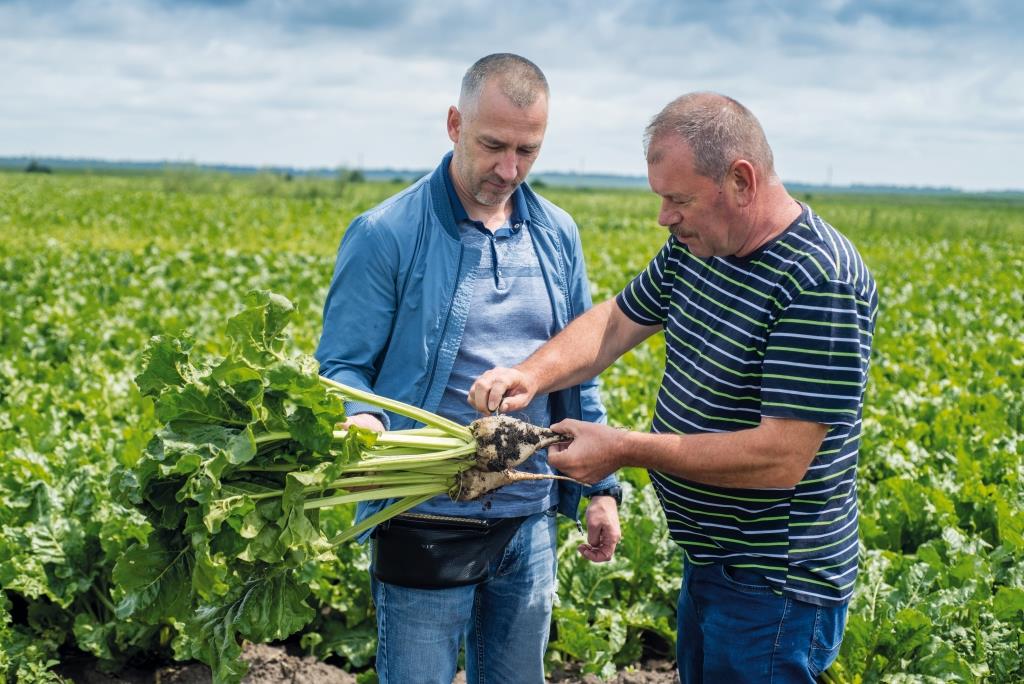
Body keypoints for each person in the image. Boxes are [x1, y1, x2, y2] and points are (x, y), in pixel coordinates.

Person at [468, 92, 878, 683]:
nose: (665, 217)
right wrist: (530, 375)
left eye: (679, 200)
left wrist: (624, 448)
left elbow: (780, 458)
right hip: (711, 562)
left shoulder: (818, 279)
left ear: (741, 180)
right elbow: (616, 322)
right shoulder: (701, 247)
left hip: (773, 586)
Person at [315, 53, 622, 684]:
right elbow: (341, 365)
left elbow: (580, 369)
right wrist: (363, 414)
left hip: (529, 517)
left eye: (527, 151)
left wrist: (601, 490)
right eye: (493, 146)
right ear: (455, 124)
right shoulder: (385, 233)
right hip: (423, 515)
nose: (509, 169)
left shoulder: (557, 234)